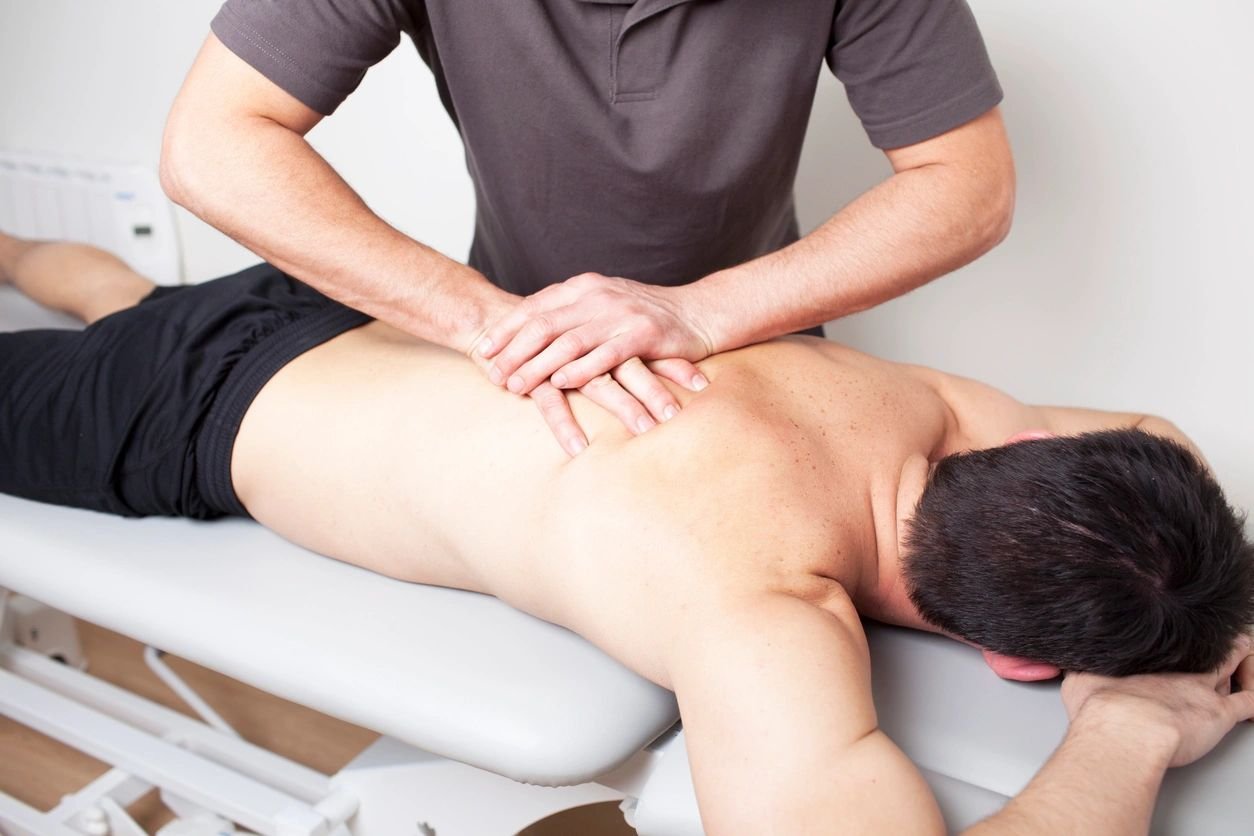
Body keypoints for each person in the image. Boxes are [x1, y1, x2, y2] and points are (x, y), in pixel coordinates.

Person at [1, 233, 1252, 834]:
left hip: (348, 313)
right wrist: (1132, 724)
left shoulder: (952, 411)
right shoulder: (758, 610)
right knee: (123, 330)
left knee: (127, 298)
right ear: (1019, 660)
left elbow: (1156, 428)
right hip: (195, 412)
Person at [159, 0, 1017, 455]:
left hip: (753, 343)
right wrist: (490, 323)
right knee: (147, 325)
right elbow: (211, 142)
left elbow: (968, 186)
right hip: (504, 354)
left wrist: (703, 313)